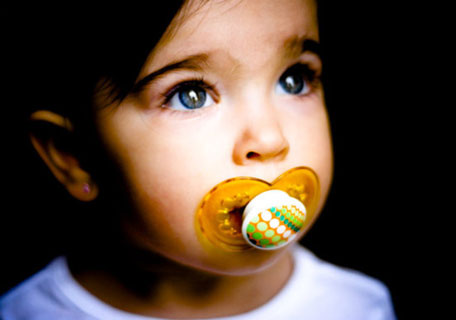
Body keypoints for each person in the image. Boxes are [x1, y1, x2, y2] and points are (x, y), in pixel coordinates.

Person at [0, 0, 397, 319]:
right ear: (76, 156)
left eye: (294, 79)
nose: (271, 139)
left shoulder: (358, 308)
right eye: (190, 94)